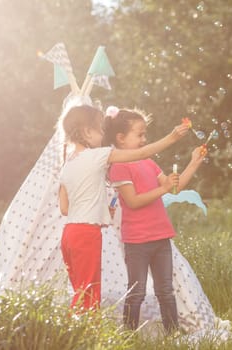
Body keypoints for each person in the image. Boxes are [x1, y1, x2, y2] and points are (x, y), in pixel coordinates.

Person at [58, 104, 189, 311]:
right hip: (86, 234)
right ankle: (83, 340)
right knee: (89, 295)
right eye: (100, 129)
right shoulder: (98, 155)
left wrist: (100, 209)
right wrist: (172, 138)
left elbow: (65, 208)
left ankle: (77, 335)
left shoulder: (67, 163)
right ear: (86, 132)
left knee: (80, 291)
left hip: (69, 234)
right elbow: (141, 153)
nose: (103, 134)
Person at [102, 106, 206, 332]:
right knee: (136, 292)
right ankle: (128, 337)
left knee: (166, 291)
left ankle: (172, 336)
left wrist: (194, 162)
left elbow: (174, 189)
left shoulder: (149, 162)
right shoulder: (118, 167)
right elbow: (133, 201)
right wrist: (164, 188)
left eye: (144, 134)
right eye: (139, 134)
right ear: (120, 138)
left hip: (161, 237)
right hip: (137, 242)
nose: (144, 139)